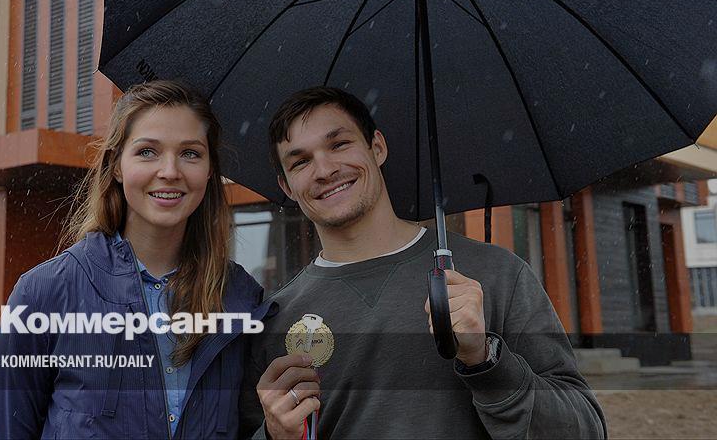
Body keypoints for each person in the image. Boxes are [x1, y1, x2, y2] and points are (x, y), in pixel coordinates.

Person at [238, 87, 607, 439]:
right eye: (300, 161)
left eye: (339, 144)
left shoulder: (496, 274)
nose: (323, 169)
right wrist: (275, 435)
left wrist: (485, 359)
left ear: (377, 147)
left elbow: (584, 431)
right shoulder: (276, 318)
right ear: (286, 186)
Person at [0, 80, 269, 439]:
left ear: (210, 170)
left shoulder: (240, 297)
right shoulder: (43, 294)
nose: (170, 171)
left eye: (190, 153)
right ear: (116, 165)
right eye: (147, 151)